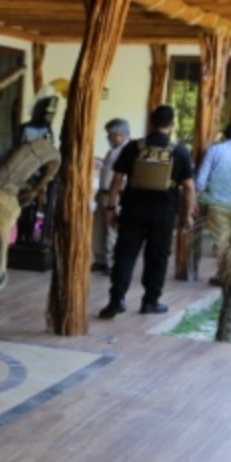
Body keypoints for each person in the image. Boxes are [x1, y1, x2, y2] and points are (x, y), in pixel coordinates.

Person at [100, 104, 195, 319]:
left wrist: (110, 208)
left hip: (133, 209)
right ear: (172, 125)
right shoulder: (179, 151)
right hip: (163, 213)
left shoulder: (133, 147)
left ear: (150, 122)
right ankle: (150, 301)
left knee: (125, 255)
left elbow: (117, 180)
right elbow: (189, 188)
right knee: (157, 258)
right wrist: (186, 215)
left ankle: (116, 299)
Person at [92, 118, 130, 274]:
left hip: (115, 195)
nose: (108, 138)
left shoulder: (128, 150)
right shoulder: (113, 150)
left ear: (118, 135)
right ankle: (101, 259)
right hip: (103, 192)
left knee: (112, 229)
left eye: (110, 135)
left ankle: (112, 263)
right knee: (99, 228)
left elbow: (126, 177)